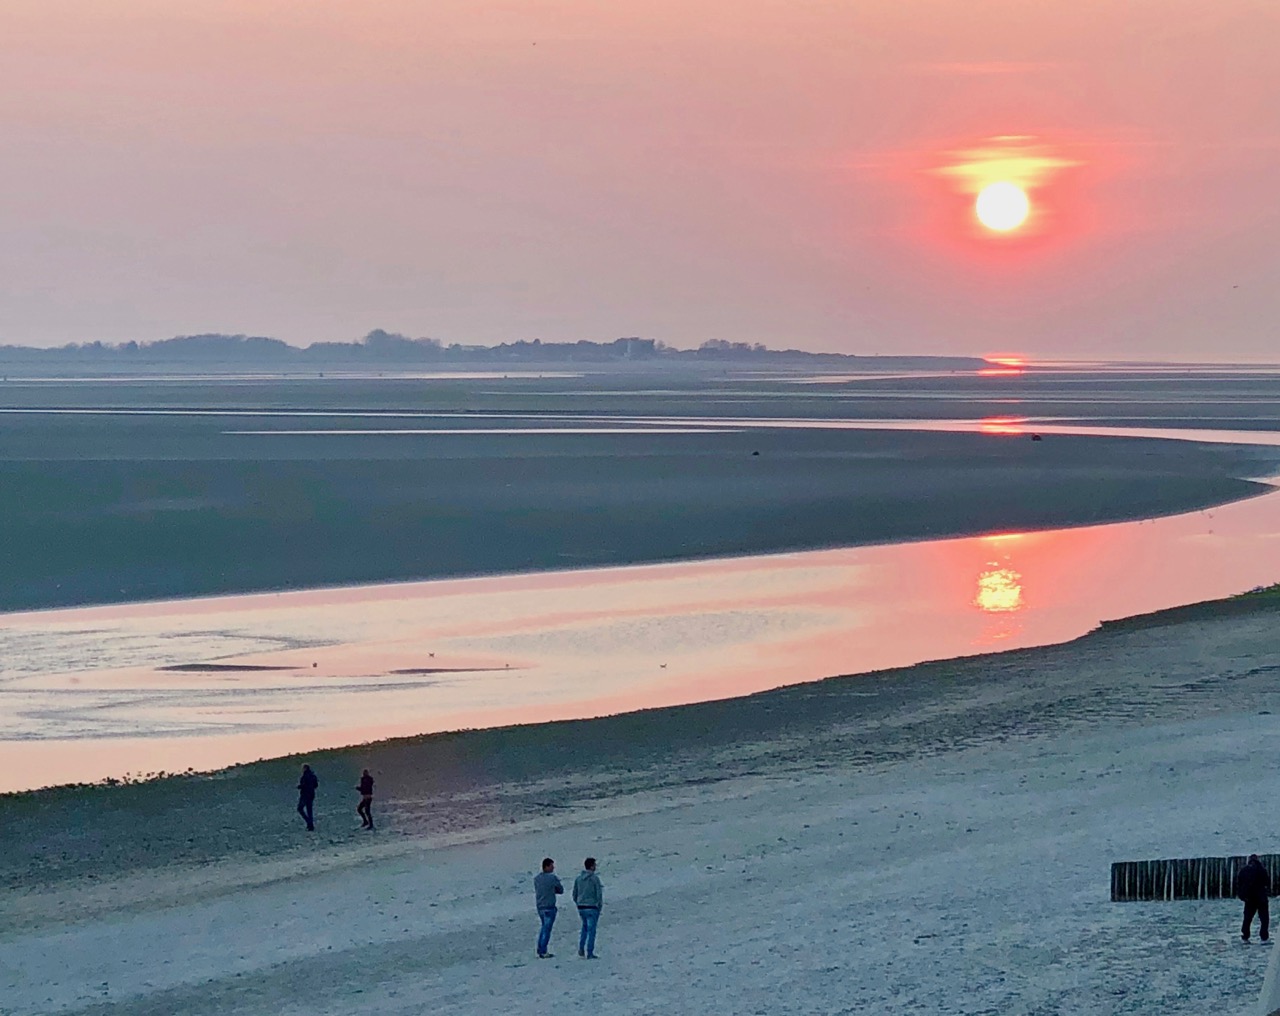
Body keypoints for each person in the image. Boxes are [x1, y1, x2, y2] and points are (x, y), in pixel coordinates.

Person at [573, 857, 604, 959]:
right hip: (591, 907)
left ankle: (581, 948)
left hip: (581, 907)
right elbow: (598, 894)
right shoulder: (594, 878)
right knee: (592, 930)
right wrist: (599, 905)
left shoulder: (578, 879)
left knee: (584, 927)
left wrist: (578, 903)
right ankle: (589, 952)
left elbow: (574, 894)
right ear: (591, 866)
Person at [1236, 854, 1271, 942]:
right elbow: (1267, 882)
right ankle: (1264, 936)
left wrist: (1242, 896)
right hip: (1261, 898)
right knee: (1264, 918)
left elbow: (1239, 884)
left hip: (1249, 898)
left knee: (1247, 918)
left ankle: (1245, 935)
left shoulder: (1244, 870)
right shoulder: (1262, 870)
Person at [533, 857, 564, 958]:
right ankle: (543, 950)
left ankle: (540, 948)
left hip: (540, 906)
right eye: (551, 865)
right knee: (547, 929)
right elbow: (560, 890)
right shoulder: (552, 878)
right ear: (546, 867)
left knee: (543, 928)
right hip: (549, 906)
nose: (553, 868)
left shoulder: (537, 879)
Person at [296, 764, 318, 831]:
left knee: (300, 808)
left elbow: (304, 785)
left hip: (305, 794)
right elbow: (316, 785)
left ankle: (309, 822)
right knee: (309, 810)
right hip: (311, 794)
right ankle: (310, 825)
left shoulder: (305, 776)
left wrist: (299, 787)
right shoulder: (313, 776)